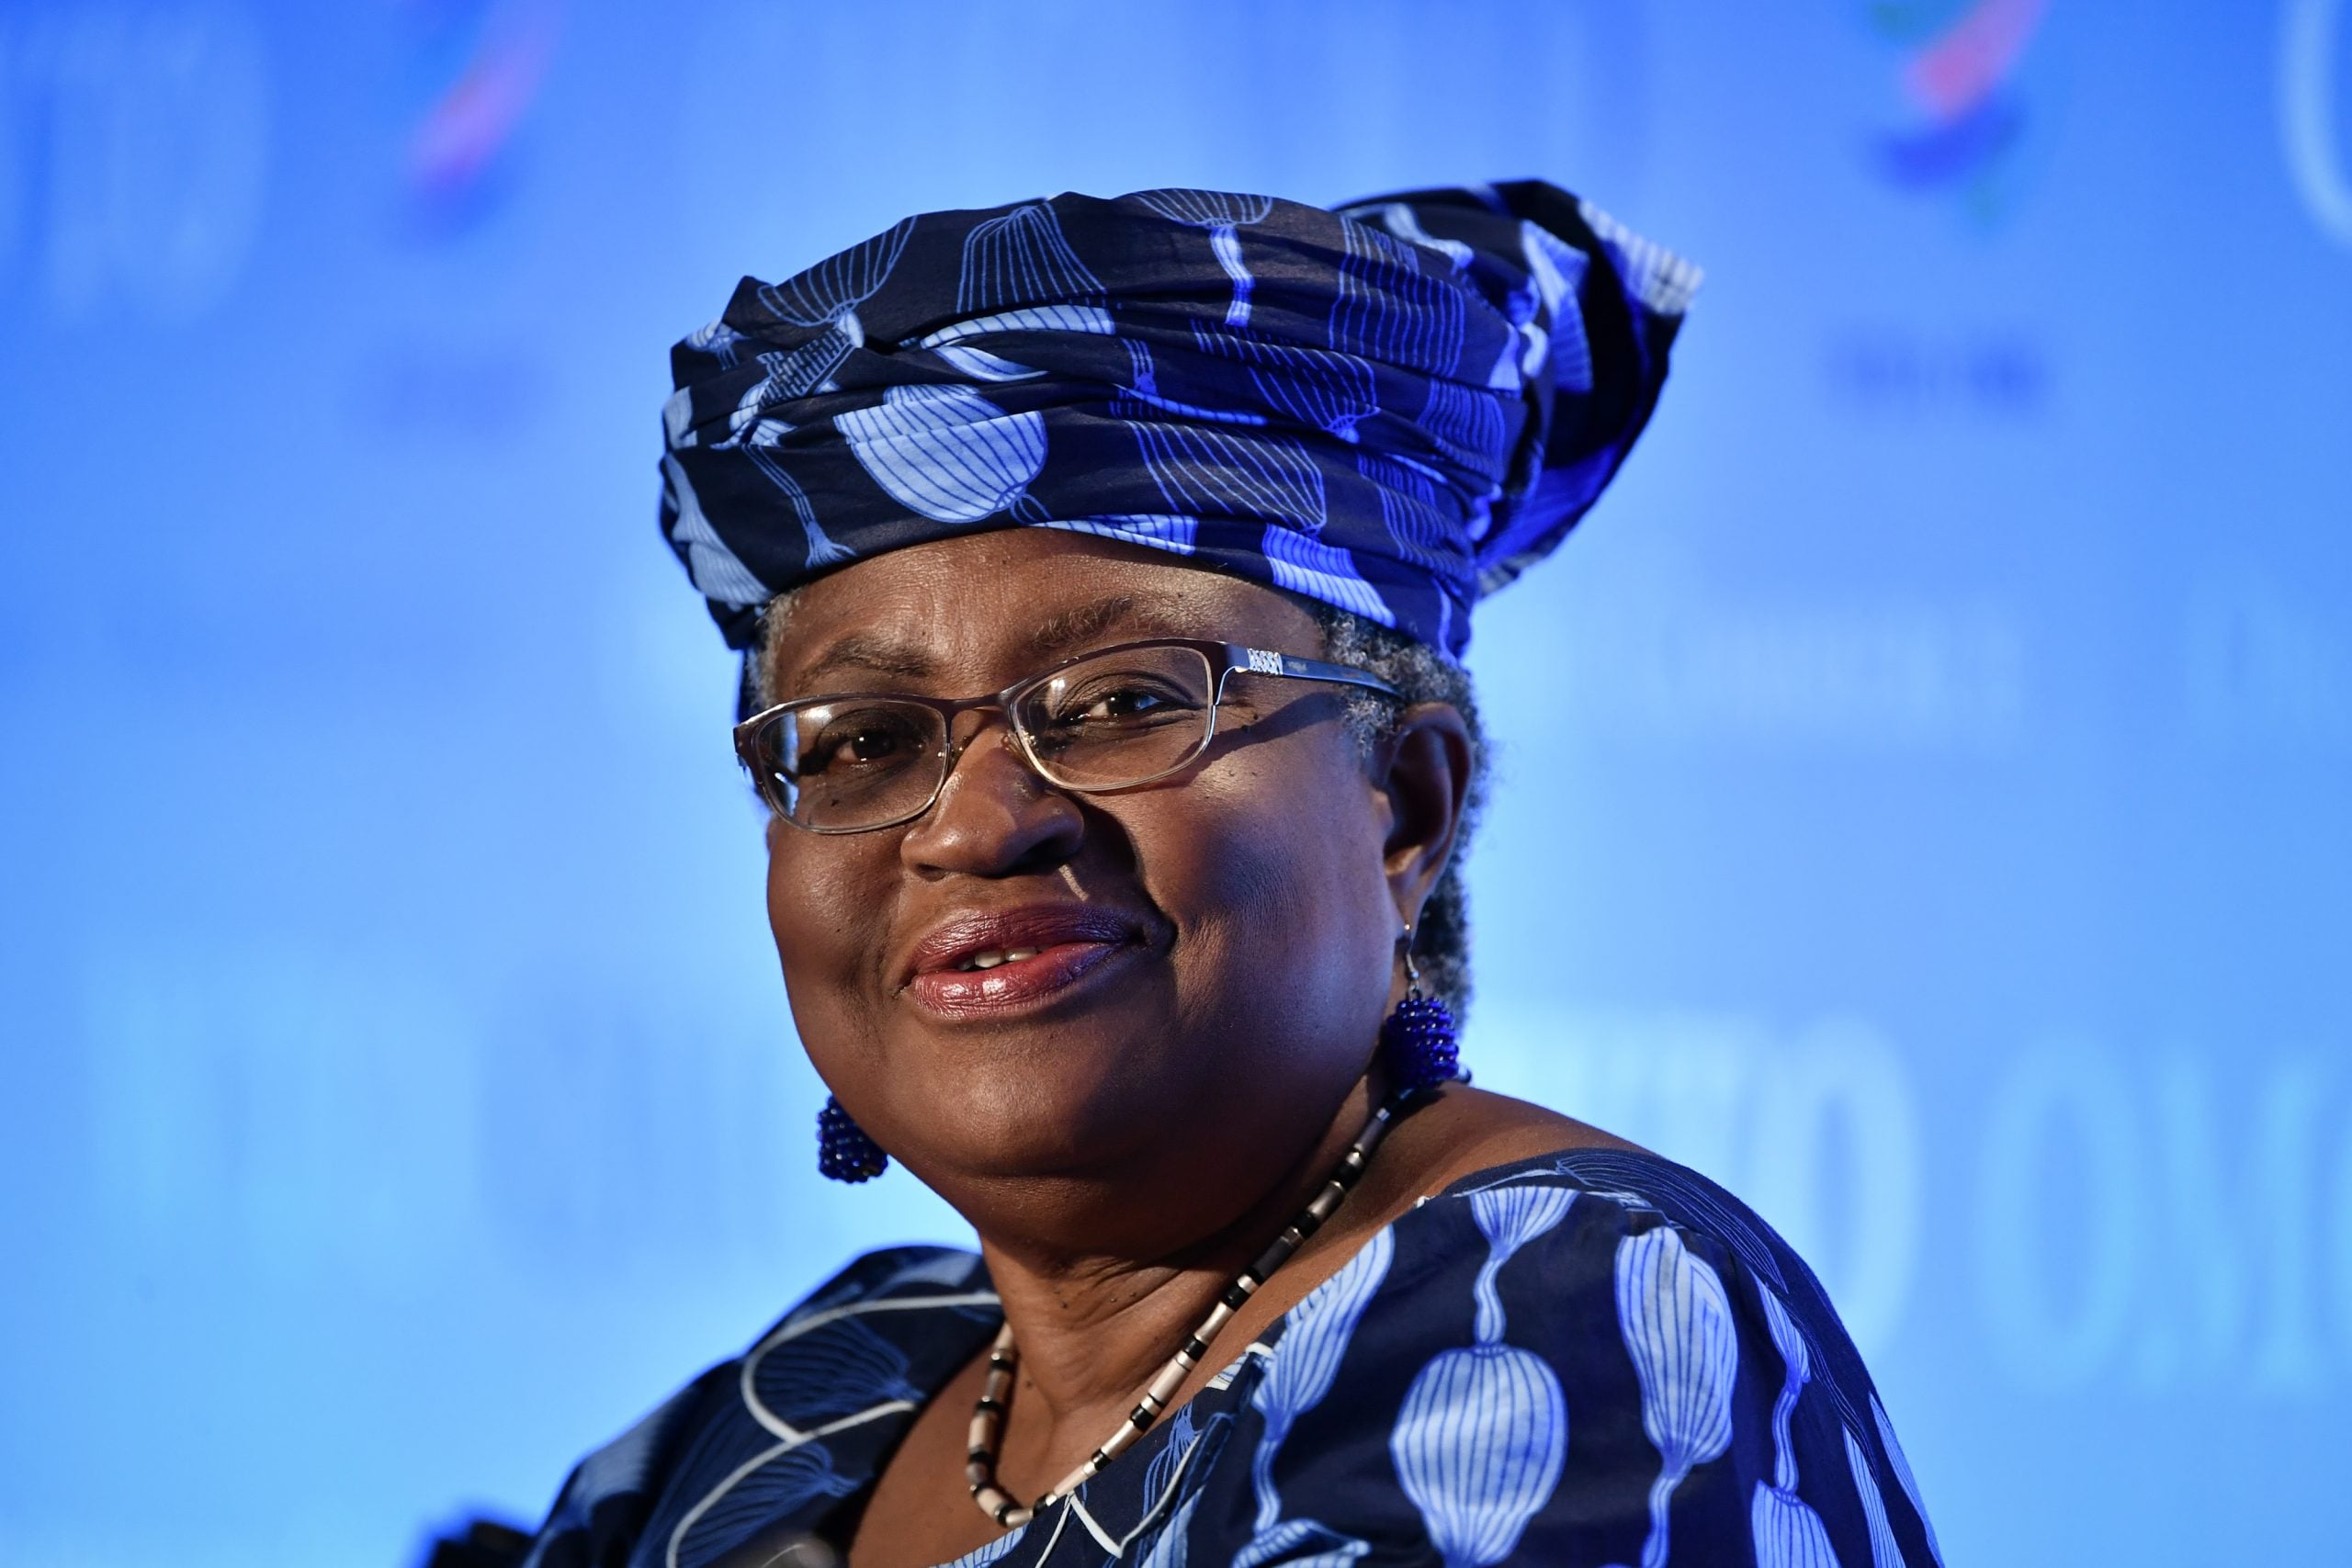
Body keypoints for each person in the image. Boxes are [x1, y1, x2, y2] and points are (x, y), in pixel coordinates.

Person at [493, 183, 1943, 1568]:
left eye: (1126, 700)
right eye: (866, 739)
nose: (977, 825)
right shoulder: (815, 1396)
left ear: (1404, 809)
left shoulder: (1566, 1317)